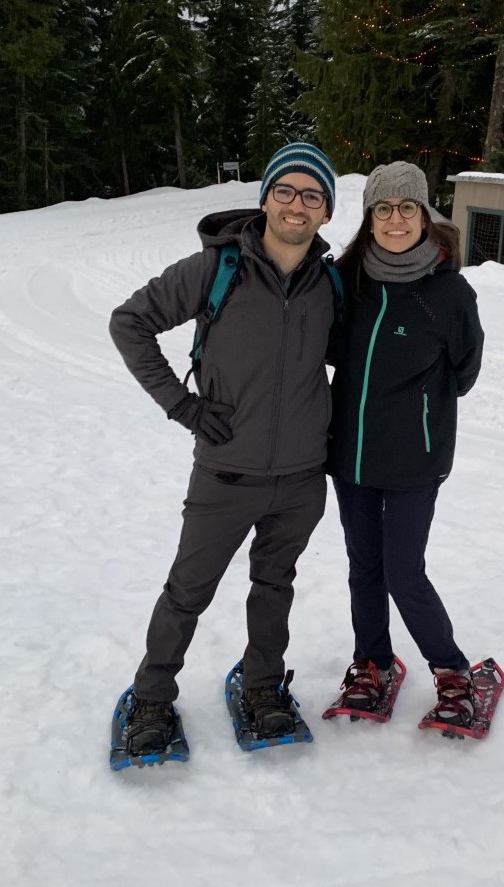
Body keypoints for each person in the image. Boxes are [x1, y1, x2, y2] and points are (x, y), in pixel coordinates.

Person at [109, 141, 338, 754]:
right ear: (265, 199)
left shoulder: (332, 283)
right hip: (226, 473)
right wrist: (181, 405)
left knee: (275, 586)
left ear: (325, 213)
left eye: (311, 196)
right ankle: (151, 696)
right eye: (285, 191)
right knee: (188, 590)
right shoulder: (217, 268)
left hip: (301, 479)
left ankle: (263, 685)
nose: (297, 204)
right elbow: (129, 322)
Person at [326, 160, 485, 729]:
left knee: (402, 570)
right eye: (384, 208)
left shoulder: (447, 293)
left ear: (424, 214)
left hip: (416, 460)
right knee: (363, 567)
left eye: (407, 207)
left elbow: (465, 372)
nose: (396, 220)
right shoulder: (348, 280)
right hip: (349, 457)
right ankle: (371, 663)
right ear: (370, 218)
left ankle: (452, 673)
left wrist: (421, 409)